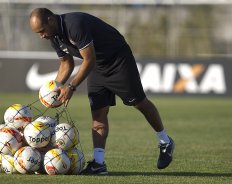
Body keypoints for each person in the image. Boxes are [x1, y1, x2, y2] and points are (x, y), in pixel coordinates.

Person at [29, 8, 175, 175]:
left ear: (51, 20)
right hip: (96, 67)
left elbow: (89, 59)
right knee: (98, 115)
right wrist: (55, 90)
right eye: (38, 33)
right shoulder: (53, 35)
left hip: (118, 61)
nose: (41, 35)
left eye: (41, 31)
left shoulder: (75, 24)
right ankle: (99, 164)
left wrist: (71, 86)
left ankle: (165, 141)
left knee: (139, 103)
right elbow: (66, 63)